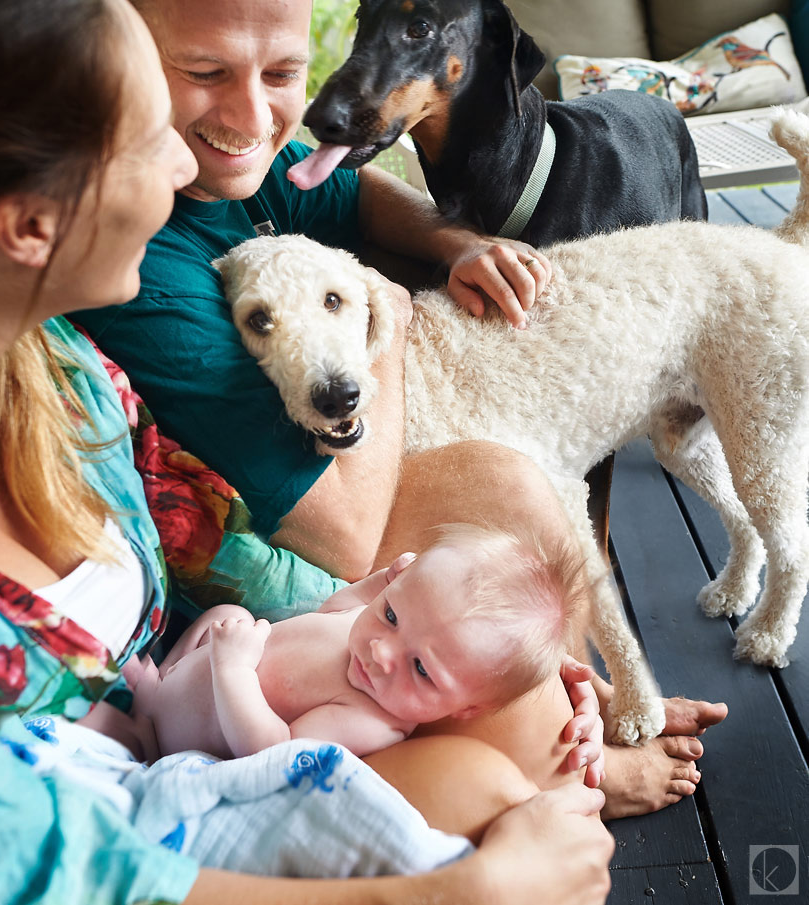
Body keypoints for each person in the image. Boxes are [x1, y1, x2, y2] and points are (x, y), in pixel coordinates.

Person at [0, 0, 614, 902]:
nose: (186, 161)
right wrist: (445, 897)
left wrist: (490, 666)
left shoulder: (58, 366)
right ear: (30, 224)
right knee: (505, 799)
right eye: (152, 132)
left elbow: (215, 542)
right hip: (127, 816)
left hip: (184, 714)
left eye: (278, 73)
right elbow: (17, 868)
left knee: (523, 741)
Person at [72, 0, 726, 817]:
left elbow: (354, 192)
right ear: (124, 60)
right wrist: (386, 319)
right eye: (204, 73)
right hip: (264, 572)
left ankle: (574, 699)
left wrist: (458, 243)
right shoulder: (157, 270)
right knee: (502, 492)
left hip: (317, 491)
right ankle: (567, 775)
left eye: (280, 74)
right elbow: (345, 539)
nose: (250, 114)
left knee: (512, 506)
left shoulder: (226, 166)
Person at [119, 526, 584, 762]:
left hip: (181, 739)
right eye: (391, 612)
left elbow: (272, 751)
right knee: (228, 617)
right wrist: (381, 582)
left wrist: (233, 671)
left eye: (421, 669)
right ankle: (159, 683)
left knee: (100, 722)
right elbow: (335, 610)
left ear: (465, 708)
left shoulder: (372, 720)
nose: (382, 652)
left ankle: (144, 728)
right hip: (199, 673)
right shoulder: (374, 624)